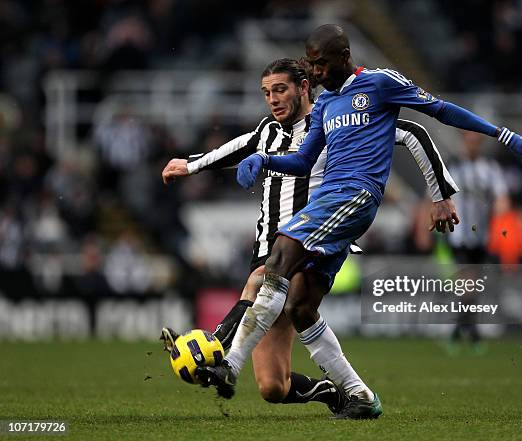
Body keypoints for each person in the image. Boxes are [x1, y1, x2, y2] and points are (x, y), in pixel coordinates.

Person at [202, 24, 522, 418]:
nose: (315, 73)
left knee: (279, 254)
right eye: (310, 65)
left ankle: (231, 364)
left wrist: (502, 135)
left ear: (344, 58)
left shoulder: (380, 84)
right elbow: (303, 161)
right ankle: (360, 395)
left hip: (357, 195)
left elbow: (440, 111)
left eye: (321, 64)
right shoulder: (326, 104)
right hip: (331, 202)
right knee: (301, 306)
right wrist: (264, 160)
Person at [161, 58, 459, 418]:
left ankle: (216, 349)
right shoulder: (267, 132)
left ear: (304, 87)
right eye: (266, 92)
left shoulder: (337, 119)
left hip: (315, 241)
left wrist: (439, 193)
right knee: (273, 386)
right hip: (269, 249)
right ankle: (337, 394)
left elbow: (409, 132)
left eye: (280, 89)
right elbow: (238, 148)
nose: (272, 99)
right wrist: (192, 165)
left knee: (260, 282)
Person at [446, 131, 510, 350]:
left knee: (470, 284)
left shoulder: (489, 169)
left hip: (481, 235)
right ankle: (471, 331)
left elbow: (502, 197)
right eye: (468, 142)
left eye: (475, 143)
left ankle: (459, 330)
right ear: (463, 144)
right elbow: (434, 195)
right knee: (468, 279)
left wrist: (501, 211)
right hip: (458, 233)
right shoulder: (453, 168)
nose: (472, 146)